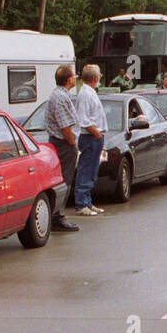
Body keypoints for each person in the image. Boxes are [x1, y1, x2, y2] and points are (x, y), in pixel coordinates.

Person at [45, 64, 81, 232]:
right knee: (64, 181)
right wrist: (72, 144)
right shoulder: (59, 97)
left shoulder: (61, 95)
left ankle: (57, 215)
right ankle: (57, 217)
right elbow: (65, 126)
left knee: (64, 180)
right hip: (63, 144)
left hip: (64, 143)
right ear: (69, 79)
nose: (75, 78)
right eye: (74, 76)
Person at [72, 64, 108, 217]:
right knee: (86, 170)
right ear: (95, 77)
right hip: (90, 137)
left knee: (92, 171)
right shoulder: (85, 94)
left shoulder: (90, 92)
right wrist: (96, 133)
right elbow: (83, 119)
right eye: (99, 75)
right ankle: (81, 204)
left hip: (95, 137)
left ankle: (87, 201)